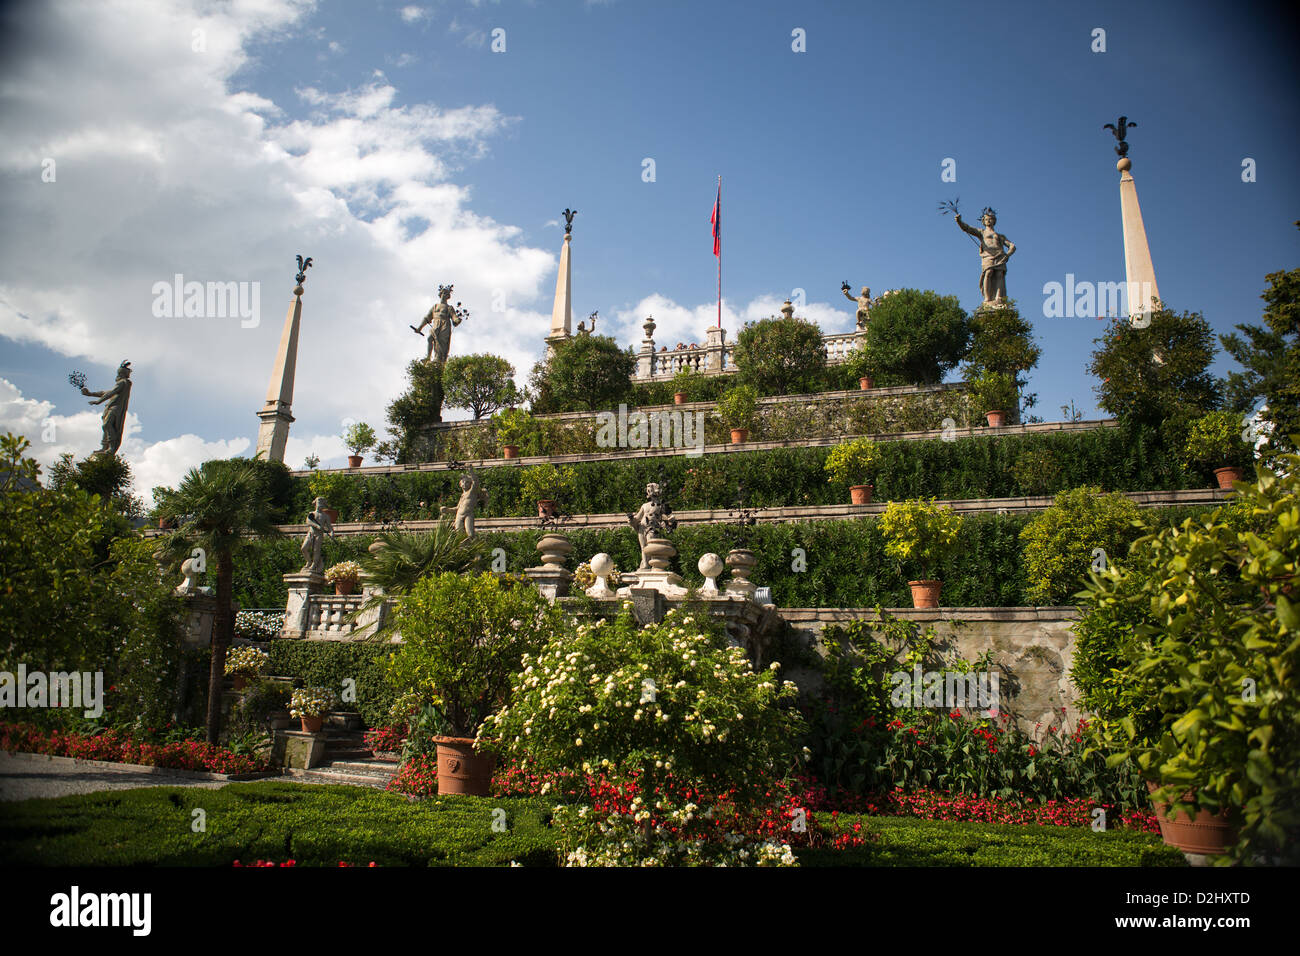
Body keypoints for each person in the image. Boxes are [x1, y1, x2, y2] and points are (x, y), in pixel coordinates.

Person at [954, 208, 1015, 306]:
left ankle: (998, 297)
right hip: (987, 256)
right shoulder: (982, 232)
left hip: (1000, 256)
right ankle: (987, 298)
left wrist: (1008, 254)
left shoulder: (1000, 236)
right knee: (988, 273)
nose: (989, 221)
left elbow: (1012, 246)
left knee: (999, 275)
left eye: (991, 219)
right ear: (983, 221)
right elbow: (967, 228)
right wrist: (959, 221)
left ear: (994, 221)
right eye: (987, 219)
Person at [81, 361, 132, 456]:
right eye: (128, 371)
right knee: (106, 426)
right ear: (123, 372)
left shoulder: (123, 383)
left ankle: (111, 447)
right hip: (111, 407)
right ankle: (105, 448)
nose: (129, 373)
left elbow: (110, 393)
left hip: (116, 408)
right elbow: (106, 392)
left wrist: (98, 401)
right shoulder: (121, 384)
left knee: (107, 425)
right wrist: (90, 394)